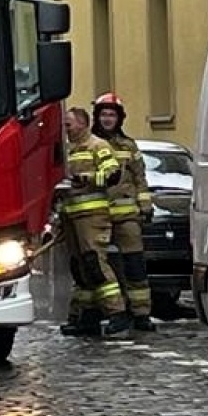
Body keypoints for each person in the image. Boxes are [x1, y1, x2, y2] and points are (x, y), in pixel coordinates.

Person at [58, 106, 131, 339]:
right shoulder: (68, 149)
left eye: (68, 125)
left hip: (92, 216)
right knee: (80, 268)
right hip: (71, 215)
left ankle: (117, 314)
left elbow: (113, 174)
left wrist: (85, 178)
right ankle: (84, 316)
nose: (65, 129)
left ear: (82, 124)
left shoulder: (97, 146)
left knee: (95, 264)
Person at [92, 93, 155, 332]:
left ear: (119, 118)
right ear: (97, 117)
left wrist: (146, 206)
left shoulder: (129, 146)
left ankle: (141, 314)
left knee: (135, 265)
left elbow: (139, 177)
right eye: (104, 114)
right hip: (97, 216)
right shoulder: (89, 144)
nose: (108, 119)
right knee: (96, 266)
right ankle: (100, 312)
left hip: (127, 216)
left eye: (112, 115)